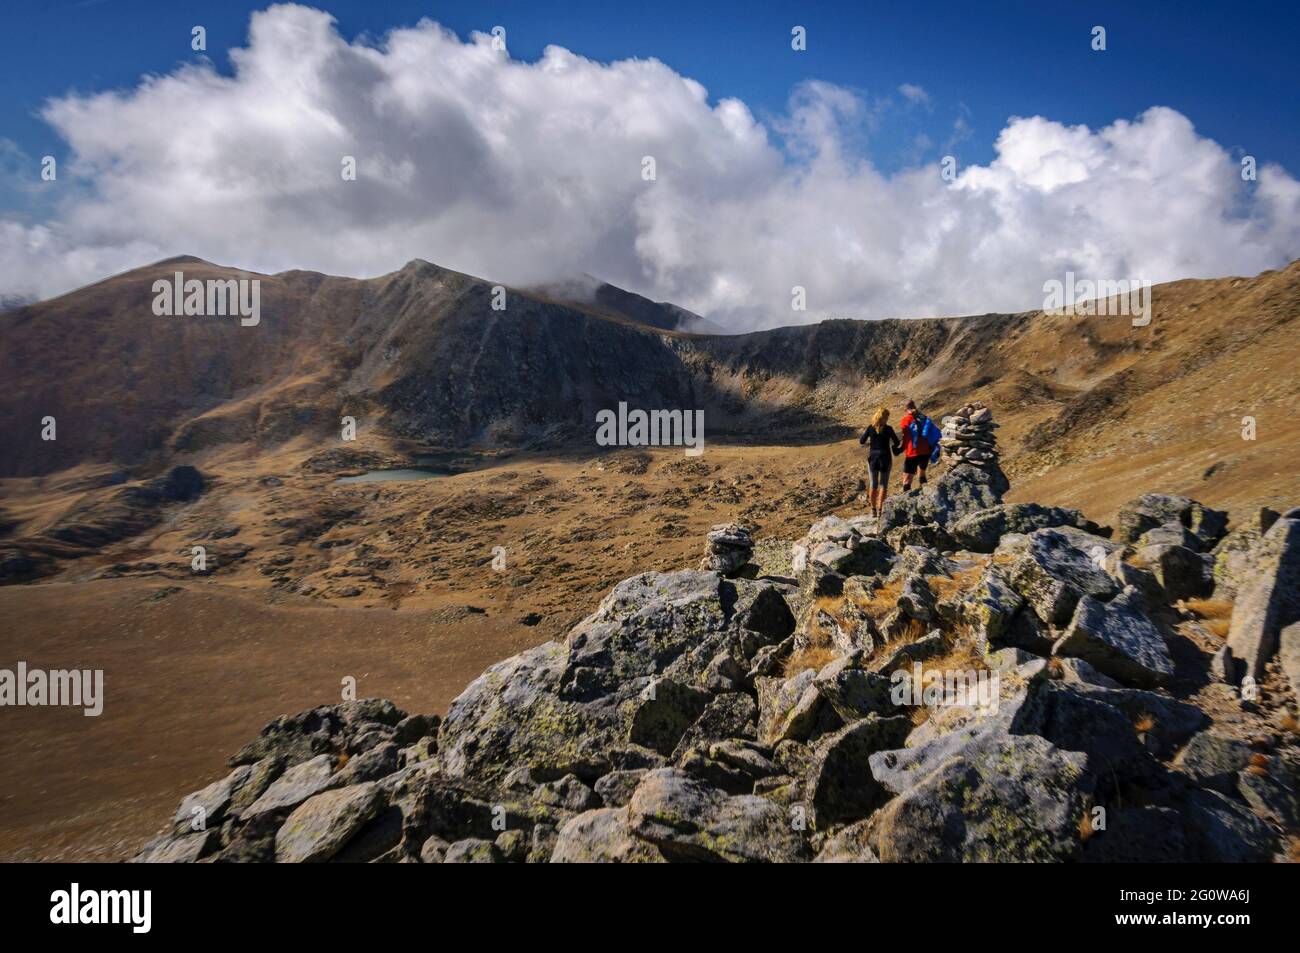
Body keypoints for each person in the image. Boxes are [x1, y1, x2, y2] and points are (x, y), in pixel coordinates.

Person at [858, 405, 902, 518]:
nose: (888, 419)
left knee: (873, 484)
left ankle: (873, 510)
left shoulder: (870, 428)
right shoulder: (888, 429)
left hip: (873, 458)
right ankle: (880, 510)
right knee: (883, 485)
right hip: (885, 458)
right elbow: (896, 442)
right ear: (882, 417)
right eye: (887, 417)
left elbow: (862, 441)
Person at [898, 399, 939, 492]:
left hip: (912, 452)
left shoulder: (905, 420)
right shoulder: (924, 417)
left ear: (905, 408)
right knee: (922, 474)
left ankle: (907, 499)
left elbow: (906, 438)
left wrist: (901, 448)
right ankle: (925, 493)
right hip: (926, 451)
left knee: (907, 479)